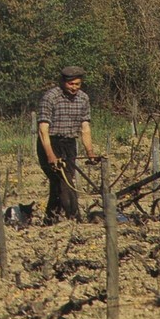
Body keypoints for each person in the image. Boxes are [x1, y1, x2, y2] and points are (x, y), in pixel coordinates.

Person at [37, 65, 99, 224]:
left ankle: (49, 220)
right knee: (64, 182)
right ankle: (74, 218)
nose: (74, 88)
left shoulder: (83, 98)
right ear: (63, 82)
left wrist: (90, 151)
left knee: (62, 182)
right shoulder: (50, 97)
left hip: (69, 144)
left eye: (77, 84)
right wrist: (50, 155)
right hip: (51, 143)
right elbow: (43, 129)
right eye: (71, 84)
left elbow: (85, 128)